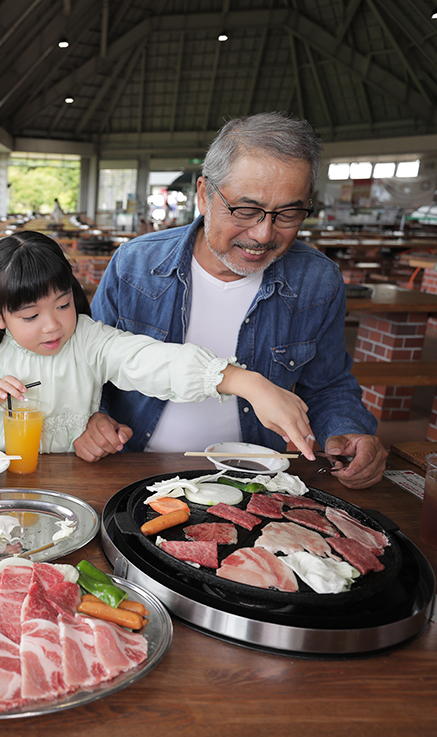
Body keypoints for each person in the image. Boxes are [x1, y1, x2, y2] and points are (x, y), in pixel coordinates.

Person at [78, 112, 386, 489]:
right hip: (133, 466)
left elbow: (327, 385)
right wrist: (94, 417)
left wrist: (347, 431)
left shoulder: (316, 280)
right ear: (204, 194)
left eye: (288, 214)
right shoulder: (136, 265)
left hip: (252, 477)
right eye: (246, 210)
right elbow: (88, 365)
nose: (263, 234)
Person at [0, 231, 315, 459]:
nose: (52, 325)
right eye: (30, 316)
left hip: (69, 473)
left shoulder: (87, 339)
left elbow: (146, 359)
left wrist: (242, 381)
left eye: (62, 304)